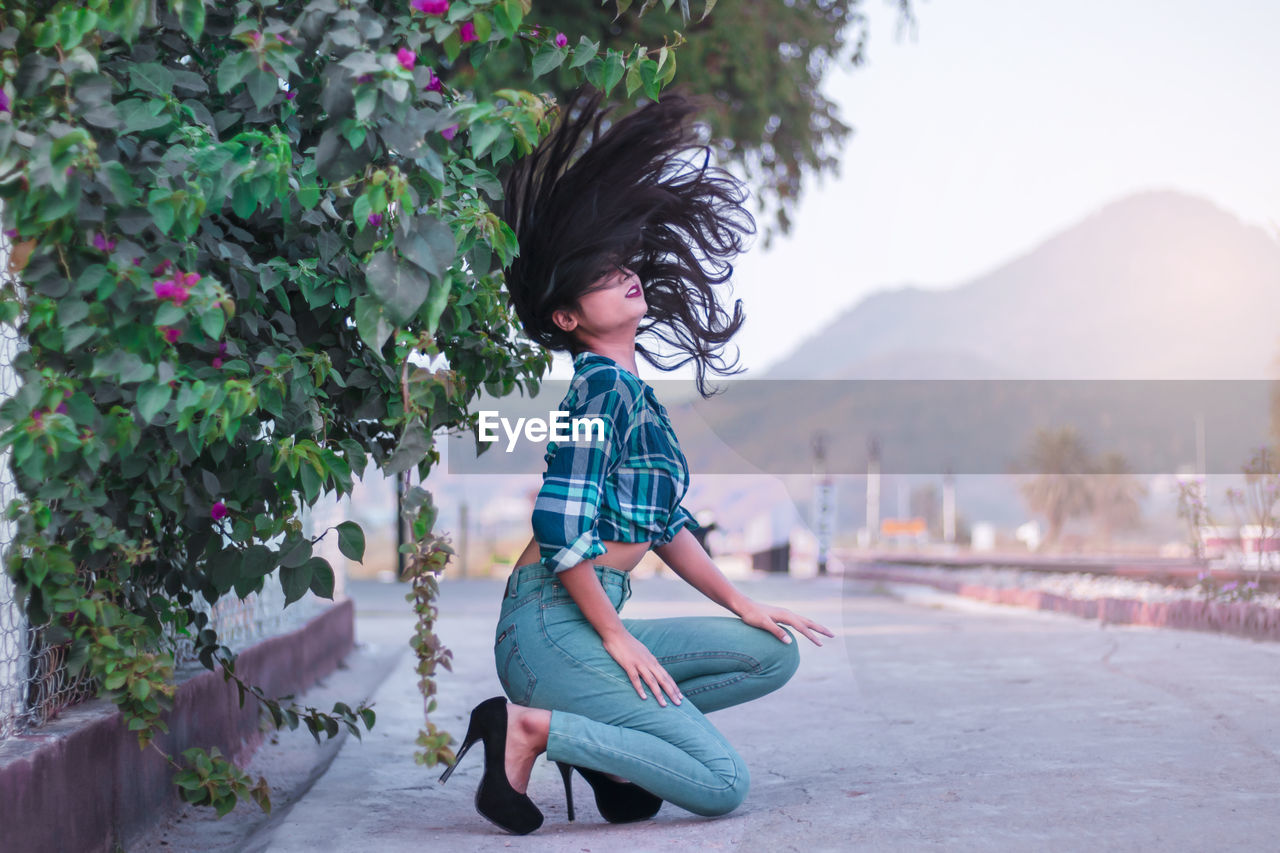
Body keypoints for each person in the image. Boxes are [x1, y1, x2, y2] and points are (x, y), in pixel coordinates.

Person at [436, 84, 835, 834]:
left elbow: (665, 522)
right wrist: (615, 638)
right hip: (552, 630)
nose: (623, 274)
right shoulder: (599, 393)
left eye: (619, 263)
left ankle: (610, 749)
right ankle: (528, 727)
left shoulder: (631, 393)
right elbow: (558, 523)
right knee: (721, 783)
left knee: (770, 653)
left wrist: (744, 603)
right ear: (567, 317)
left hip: (582, 626)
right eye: (598, 276)